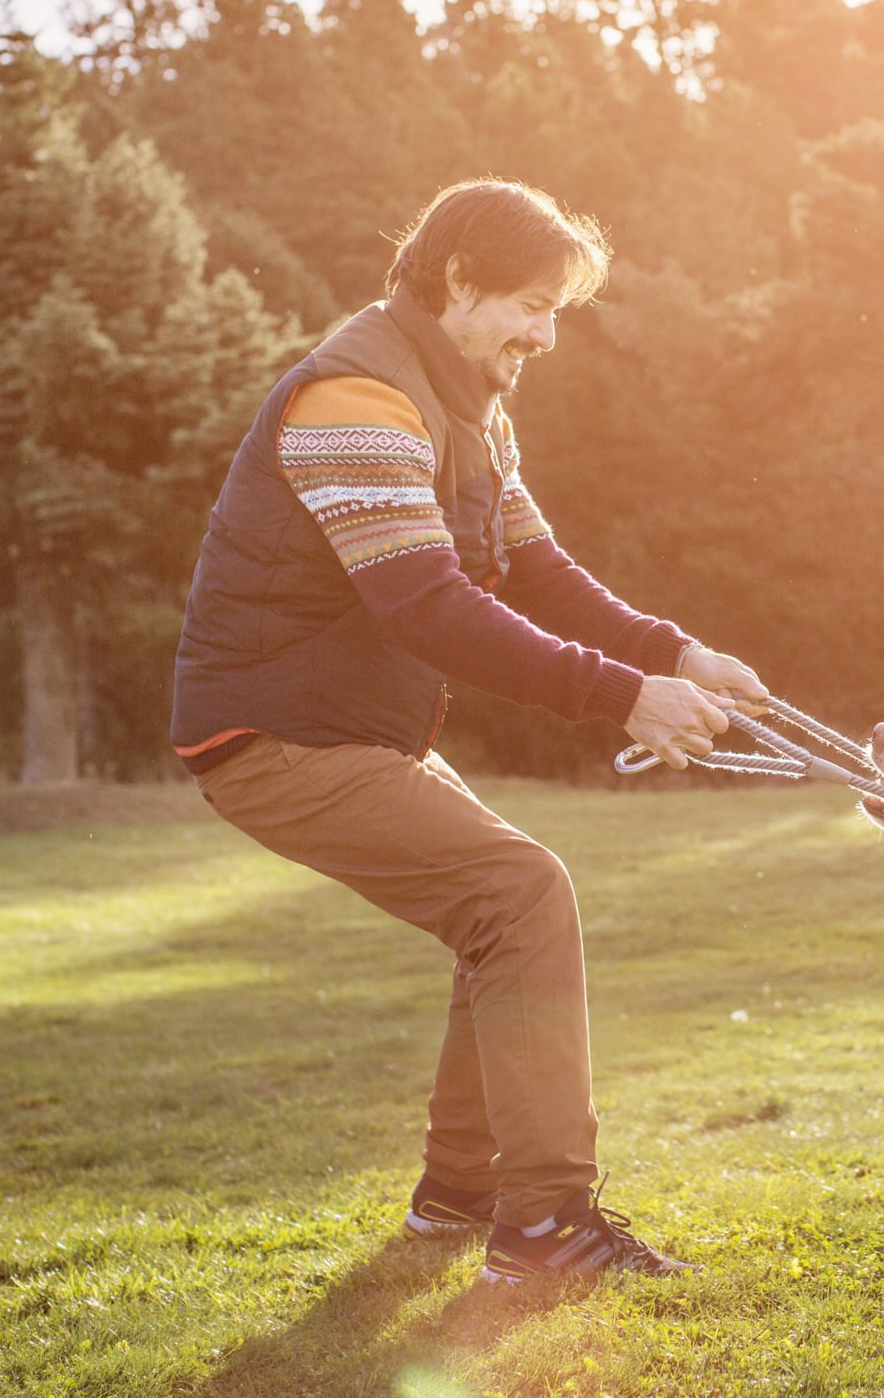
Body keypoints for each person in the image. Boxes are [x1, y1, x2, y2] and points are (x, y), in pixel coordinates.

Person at [170, 178, 761, 1285]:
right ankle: (543, 1227)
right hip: (272, 737)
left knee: (501, 910)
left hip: (350, 732)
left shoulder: (472, 408)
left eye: (555, 313)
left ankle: (458, 1197)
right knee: (520, 893)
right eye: (531, 305)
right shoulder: (355, 400)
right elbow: (428, 605)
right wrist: (623, 696)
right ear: (455, 281)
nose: (544, 334)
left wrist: (675, 654)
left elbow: (538, 569)